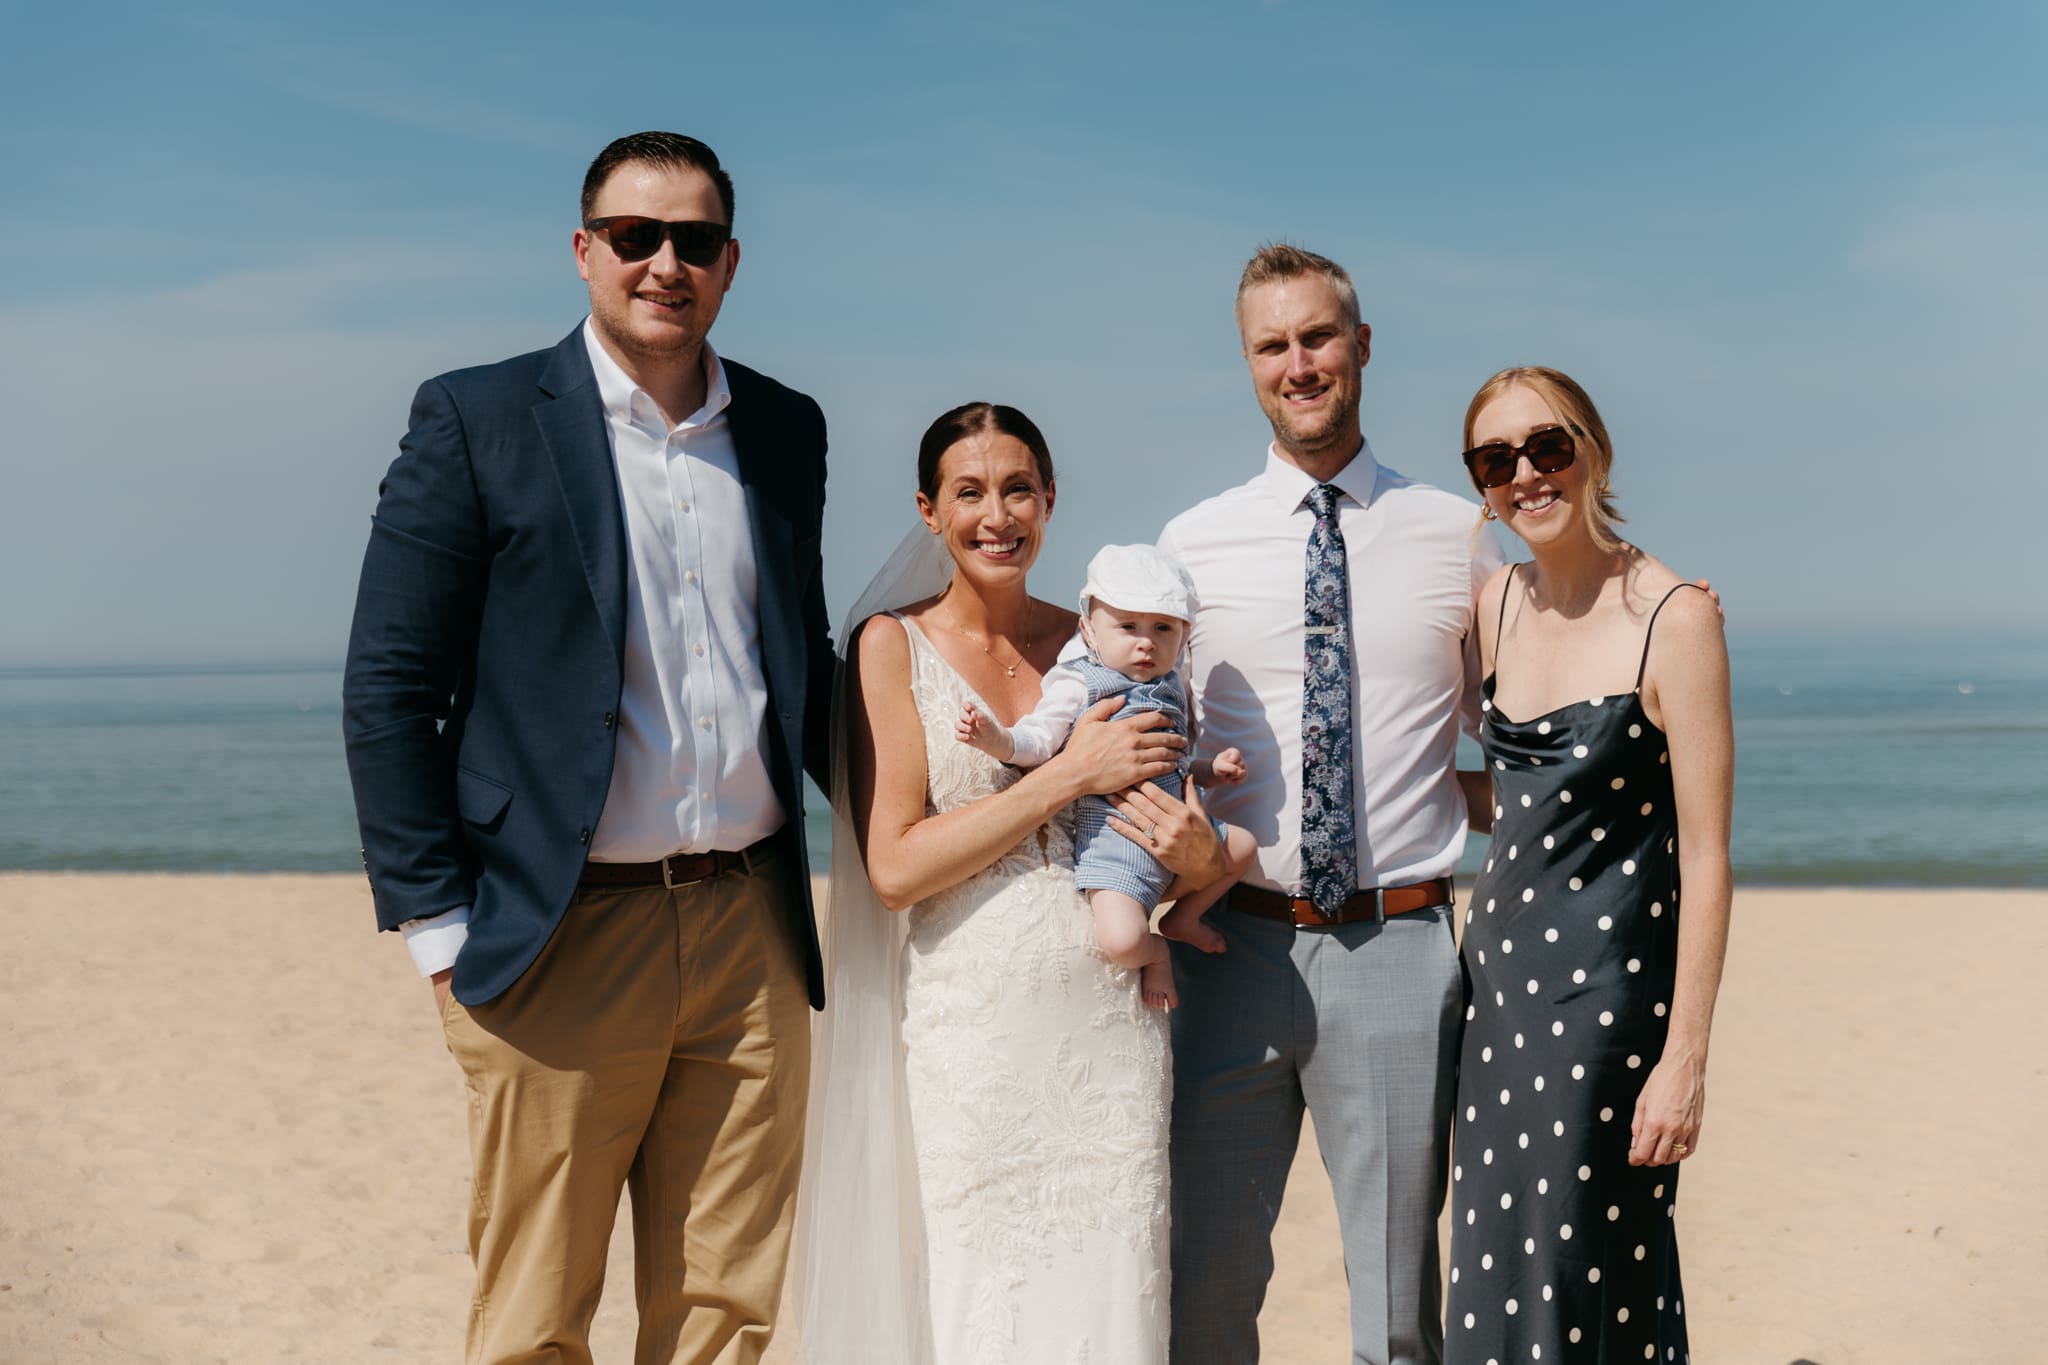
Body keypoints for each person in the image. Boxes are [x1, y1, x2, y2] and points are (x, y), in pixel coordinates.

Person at [341, 132, 832, 1365]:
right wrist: (438, 932)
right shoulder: (477, 416)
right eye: (634, 237)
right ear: (583, 251)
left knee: (728, 1314)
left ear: (729, 264)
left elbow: (801, 664)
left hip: (748, 937)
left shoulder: (784, 429)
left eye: (695, 242)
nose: (664, 263)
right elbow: (389, 687)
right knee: (534, 1322)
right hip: (551, 935)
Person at [792, 402, 1227, 1365]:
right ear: (928, 510)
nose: (998, 514)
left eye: (1019, 489)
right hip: (975, 1039)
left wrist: (1200, 859)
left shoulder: (1111, 639)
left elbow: (1168, 803)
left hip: (1111, 1024)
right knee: (982, 1300)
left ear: (1050, 501)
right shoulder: (889, 647)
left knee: (1114, 1300)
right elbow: (896, 866)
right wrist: (1069, 773)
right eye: (970, 492)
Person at [1158, 243, 1505, 1365]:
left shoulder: (1458, 535)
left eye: (1317, 338)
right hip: (1227, 951)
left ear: (1359, 347)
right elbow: (1141, 743)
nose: (1297, 363)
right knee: (1201, 1290)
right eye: (1273, 345)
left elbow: (1521, 730)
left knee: (1399, 1312)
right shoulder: (1189, 545)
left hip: (1400, 945)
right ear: (1248, 363)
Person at [1441, 366, 1733, 1364]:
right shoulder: (1492, 608)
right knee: (1496, 1276)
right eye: (1495, 459)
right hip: (1495, 1005)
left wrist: (1683, 1060)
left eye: (1546, 446)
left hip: (1605, 1013)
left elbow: (1704, 854)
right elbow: (1521, 803)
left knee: (1580, 1277)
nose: (1524, 473)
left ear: (1591, 449)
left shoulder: (1674, 617)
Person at [957, 542, 1259, 1008]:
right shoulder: (1081, 682)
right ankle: (1158, 951)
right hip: (1115, 848)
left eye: (1163, 628)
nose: (1146, 641)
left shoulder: (1171, 686)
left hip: (1183, 833)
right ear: (1090, 630)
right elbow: (1039, 739)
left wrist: (1211, 771)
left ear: (1184, 634)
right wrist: (997, 739)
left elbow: (1174, 762)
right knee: (1121, 941)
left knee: (1244, 847)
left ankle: (1182, 918)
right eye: (1128, 627)